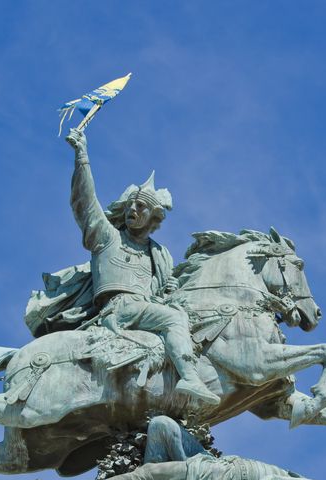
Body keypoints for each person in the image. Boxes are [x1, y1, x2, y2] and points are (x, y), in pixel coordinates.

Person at [64, 128, 220, 407]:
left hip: (143, 309)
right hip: (119, 308)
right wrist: (82, 157)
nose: (132, 209)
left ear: (154, 218)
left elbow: (157, 294)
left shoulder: (159, 254)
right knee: (174, 319)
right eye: (131, 204)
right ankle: (189, 379)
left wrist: (167, 290)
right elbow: (85, 203)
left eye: (141, 206)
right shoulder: (108, 237)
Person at [33, 416, 326, 480]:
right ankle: (155, 477)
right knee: (161, 424)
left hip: (207, 477)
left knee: (145, 477)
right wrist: (280, 478)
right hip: (209, 461)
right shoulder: (289, 477)